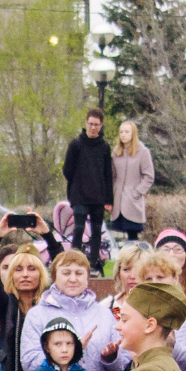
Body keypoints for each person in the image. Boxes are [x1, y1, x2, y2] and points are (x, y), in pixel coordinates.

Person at [16, 249, 124, 371]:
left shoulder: (104, 314)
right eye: (66, 273)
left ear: (88, 277)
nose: (73, 279)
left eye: (79, 273)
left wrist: (111, 358)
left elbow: (121, 369)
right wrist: (72, 352)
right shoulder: (37, 314)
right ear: (54, 276)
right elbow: (29, 363)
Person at [0, 215, 61, 371]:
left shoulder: (51, 301)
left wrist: (47, 235)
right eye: (18, 269)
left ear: (41, 273)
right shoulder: (6, 304)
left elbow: (64, 266)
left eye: (32, 268)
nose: (25, 274)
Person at [61, 108, 115, 270]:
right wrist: (76, 184)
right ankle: (74, 260)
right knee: (78, 228)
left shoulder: (104, 147)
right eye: (91, 124)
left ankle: (93, 262)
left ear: (101, 126)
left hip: (98, 196)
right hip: (80, 195)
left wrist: (108, 199)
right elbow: (67, 170)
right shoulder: (76, 144)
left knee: (97, 230)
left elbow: (108, 174)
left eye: (96, 125)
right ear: (86, 123)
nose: (93, 128)